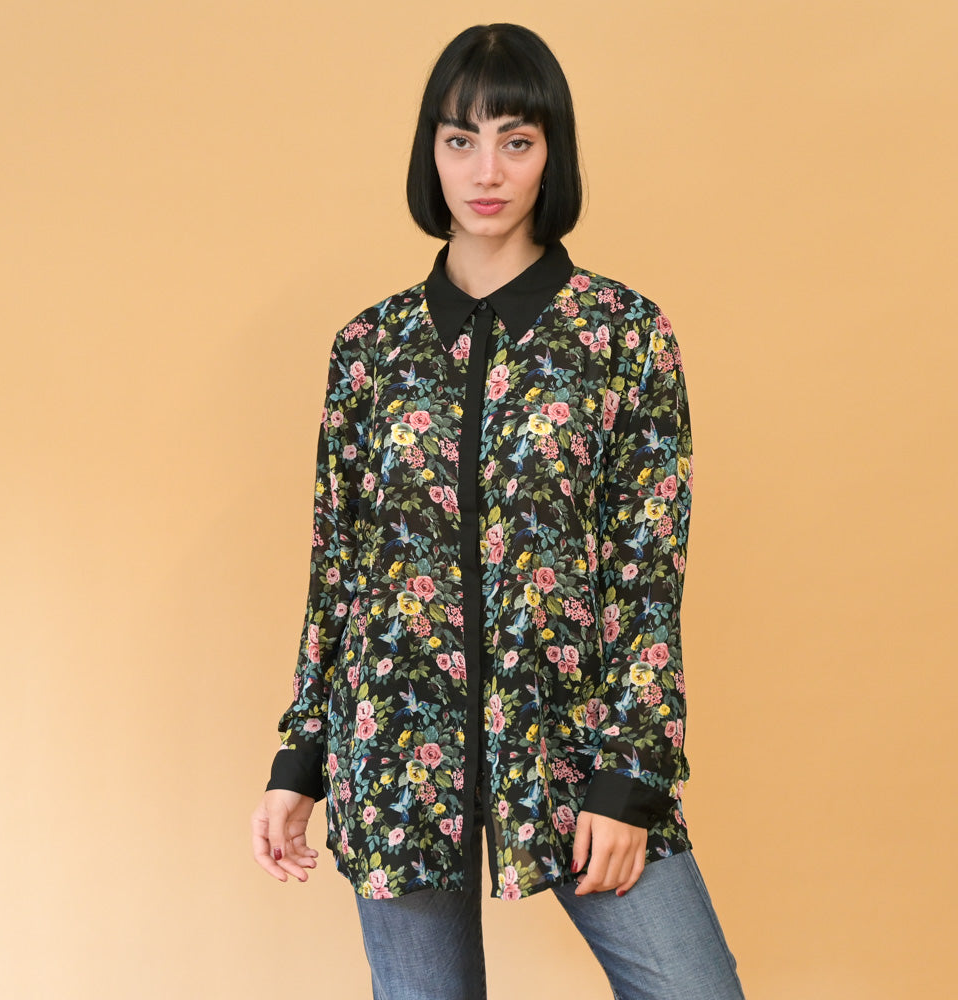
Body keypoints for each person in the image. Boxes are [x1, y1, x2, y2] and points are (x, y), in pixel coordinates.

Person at [251, 22, 746, 1000]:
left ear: (551, 154)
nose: (486, 171)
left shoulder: (624, 336)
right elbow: (339, 568)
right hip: (396, 744)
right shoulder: (370, 349)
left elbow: (647, 573)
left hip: (568, 734)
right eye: (460, 140)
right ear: (429, 153)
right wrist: (299, 757)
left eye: (516, 140)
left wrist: (632, 775)